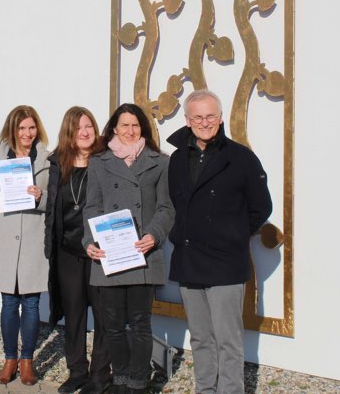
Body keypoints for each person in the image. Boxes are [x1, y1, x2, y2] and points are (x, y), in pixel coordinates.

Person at [166, 89, 272, 394]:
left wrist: (233, 235)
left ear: (221, 117)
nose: (205, 122)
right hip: (189, 261)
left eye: (210, 115)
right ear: (187, 120)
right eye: (198, 117)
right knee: (200, 337)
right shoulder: (177, 159)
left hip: (225, 263)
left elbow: (261, 206)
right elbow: (175, 202)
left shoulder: (241, 158)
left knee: (228, 340)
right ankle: (205, 390)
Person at [82, 103, 175, 394]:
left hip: (142, 253)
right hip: (110, 254)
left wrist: (153, 235)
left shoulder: (159, 161)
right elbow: (92, 206)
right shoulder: (99, 161)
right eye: (125, 125)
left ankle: (138, 382)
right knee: (112, 325)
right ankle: (120, 379)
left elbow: (166, 207)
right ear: (114, 128)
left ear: (142, 128)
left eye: (135, 125)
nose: (130, 131)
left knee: (139, 323)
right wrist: (89, 241)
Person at [45, 107, 111, 394]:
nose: (85, 132)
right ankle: (77, 372)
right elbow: (51, 207)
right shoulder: (57, 163)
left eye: (89, 126)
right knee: (73, 315)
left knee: (104, 315)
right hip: (68, 252)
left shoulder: (106, 160)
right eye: (78, 128)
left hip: (99, 252)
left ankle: (100, 375)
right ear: (69, 133)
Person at [0, 105, 50, 386]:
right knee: (8, 302)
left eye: (31, 127)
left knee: (32, 303)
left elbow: (56, 200)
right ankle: (9, 359)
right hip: (6, 238)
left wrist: (41, 196)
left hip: (34, 239)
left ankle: (27, 360)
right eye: (22, 128)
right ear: (12, 130)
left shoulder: (48, 160)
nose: (27, 133)